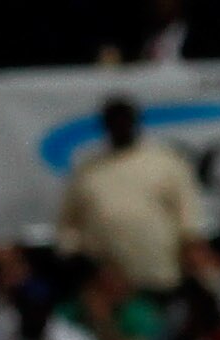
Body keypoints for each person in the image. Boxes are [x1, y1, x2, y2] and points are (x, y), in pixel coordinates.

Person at [55, 97, 205, 294]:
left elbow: (188, 215)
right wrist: (75, 257)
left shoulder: (166, 163)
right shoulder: (87, 171)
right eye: (113, 121)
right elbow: (67, 223)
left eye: (124, 120)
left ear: (135, 122)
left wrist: (192, 252)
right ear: (105, 125)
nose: (119, 126)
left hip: (160, 276)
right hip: (107, 283)